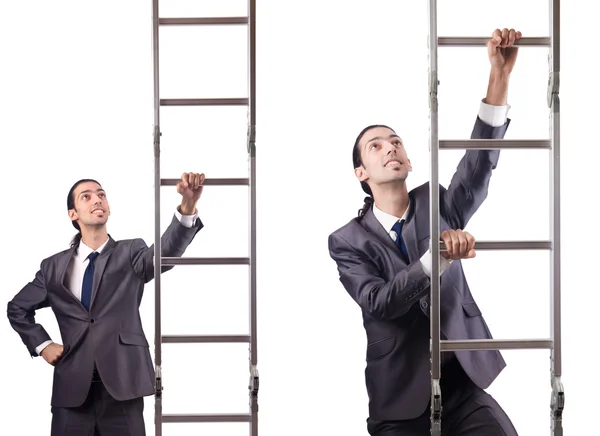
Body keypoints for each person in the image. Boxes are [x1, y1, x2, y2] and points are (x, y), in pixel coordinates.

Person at [327, 28, 522, 435]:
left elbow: (478, 167)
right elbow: (380, 302)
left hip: (461, 386)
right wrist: (439, 258)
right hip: (399, 401)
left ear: (409, 160)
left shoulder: (436, 202)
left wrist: (498, 77)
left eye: (395, 142)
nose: (390, 148)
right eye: (376, 146)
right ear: (361, 173)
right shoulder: (347, 240)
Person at [7, 172, 206, 436]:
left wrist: (187, 207)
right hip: (71, 393)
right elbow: (17, 308)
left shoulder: (131, 251)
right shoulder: (52, 266)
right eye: (86, 196)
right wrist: (42, 345)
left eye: (101, 195)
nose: (97, 200)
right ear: (73, 214)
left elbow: (166, 254)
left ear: (109, 208)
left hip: (123, 388)